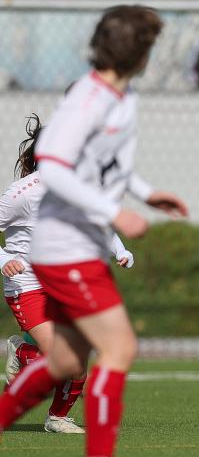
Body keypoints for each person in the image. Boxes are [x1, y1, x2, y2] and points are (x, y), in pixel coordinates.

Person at [0, 5, 188, 457]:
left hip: (77, 249)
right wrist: (116, 215)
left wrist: (146, 195)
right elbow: (55, 170)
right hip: (62, 249)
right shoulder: (86, 99)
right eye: (149, 44)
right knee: (117, 346)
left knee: (64, 361)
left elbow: (110, 171)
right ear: (136, 50)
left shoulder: (119, 100)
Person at [1, 115, 135, 435]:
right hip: (28, 283)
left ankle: (57, 417)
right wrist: (4, 258)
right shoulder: (23, 193)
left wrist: (120, 250)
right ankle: (24, 353)